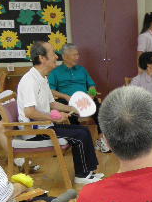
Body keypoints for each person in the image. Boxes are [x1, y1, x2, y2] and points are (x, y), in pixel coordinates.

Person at [17, 41, 102, 185]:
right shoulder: (29, 80)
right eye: (52, 54)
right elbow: (29, 112)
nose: (57, 57)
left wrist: (74, 108)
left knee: (84, 130)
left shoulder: (42, 78)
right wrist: (54, 117)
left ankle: (88, 171)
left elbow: (52, 104)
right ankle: (81, 175)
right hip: (35, 131)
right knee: (80, 135)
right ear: (42, 58)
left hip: (45, 126)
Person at [48, 43, 110, 153]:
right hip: (66, 101)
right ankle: (78, 142)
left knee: (102, 111)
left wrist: (91, 94)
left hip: (84, 100)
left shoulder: (82, 70)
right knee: (70, 115)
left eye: (78, 54)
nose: (77, 57)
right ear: (65, 57)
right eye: (74, 55)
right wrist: (65, 96)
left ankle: (101, 140)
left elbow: (91, 85)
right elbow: (50, 90)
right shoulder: (55, 72)